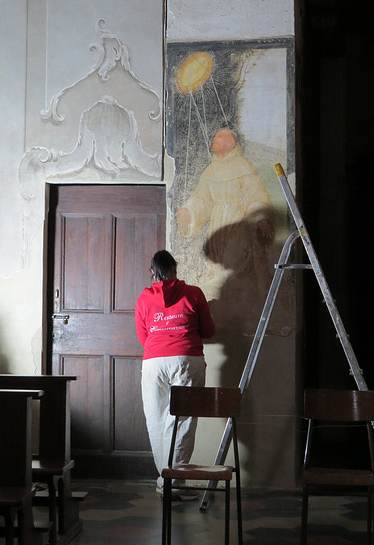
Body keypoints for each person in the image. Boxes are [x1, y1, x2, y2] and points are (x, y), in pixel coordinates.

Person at [135, 249, 215, 499]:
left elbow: (142, 337)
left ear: (152, 272)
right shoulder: (193, 293)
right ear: (175, 269)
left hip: (153, 361)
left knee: (156, 419)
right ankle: (175, 481)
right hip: (186, 358)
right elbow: (209, 331)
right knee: (183, 419)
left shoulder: (143, 299)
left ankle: (165, 480)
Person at [176, 128, 274, 300]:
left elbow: (255, 196)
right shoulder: (210, 171)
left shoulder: (244, 166)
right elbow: (201, 198)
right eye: (215, 136)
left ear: (231, 142)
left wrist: (260, 218)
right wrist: (188, 211)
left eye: (220, 136)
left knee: (236, 263)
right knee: (218, 264)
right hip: (217, 223)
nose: (215, 138)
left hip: (238, 221)